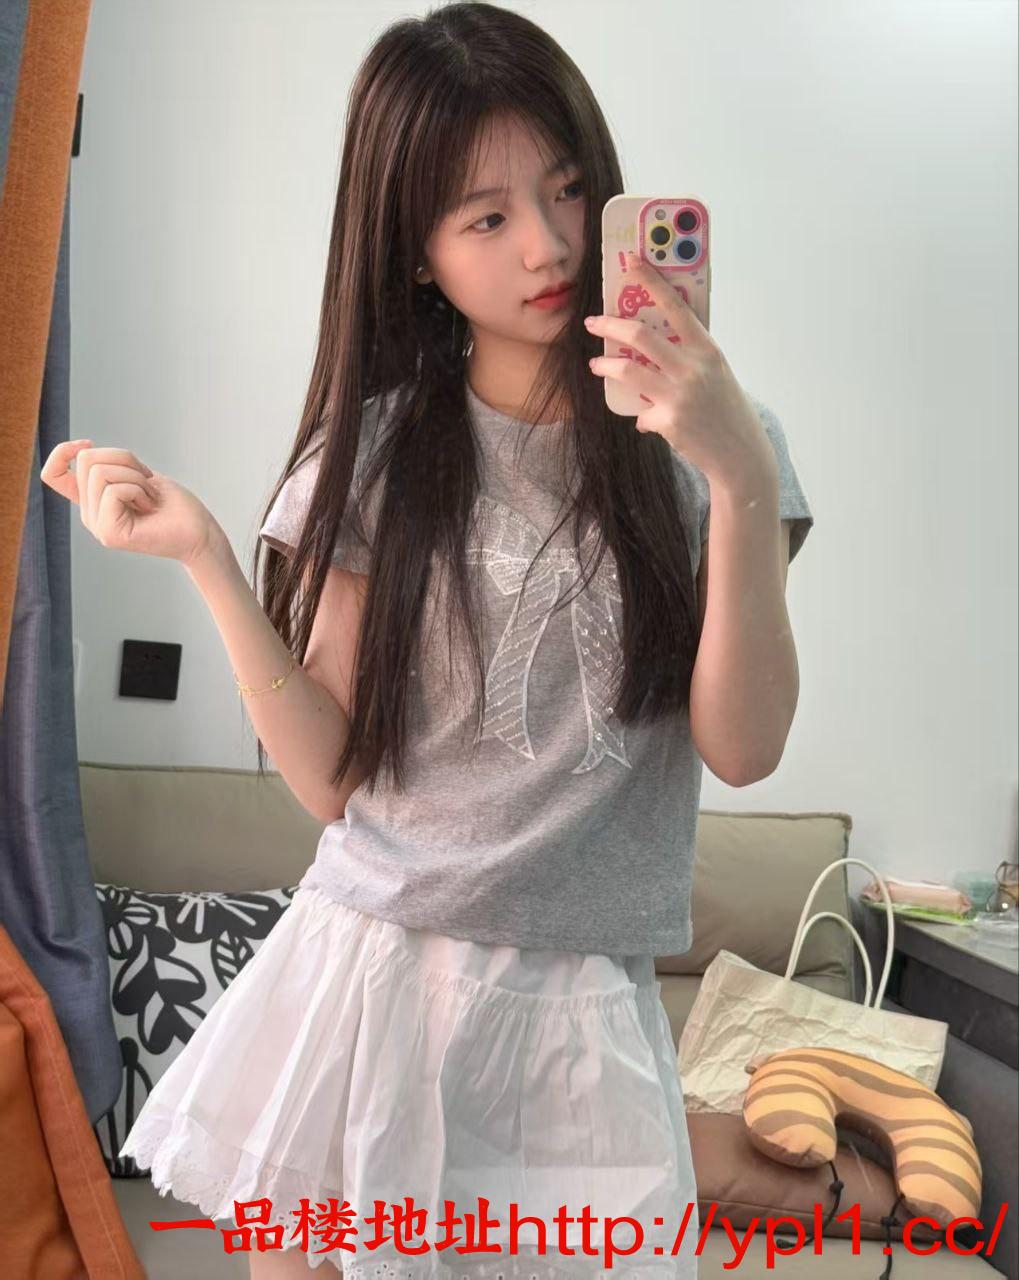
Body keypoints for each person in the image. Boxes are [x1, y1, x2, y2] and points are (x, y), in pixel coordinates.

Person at [41, 4, 814, 1276]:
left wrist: (732, 473)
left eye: (566, 190)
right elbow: (329, 778)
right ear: (416, 254)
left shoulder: (721, 449)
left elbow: (743, 746)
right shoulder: (379, 456)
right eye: (486, 218)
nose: (549, 244)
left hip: (582, 1009)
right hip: (368, 979)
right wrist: (209, 560)